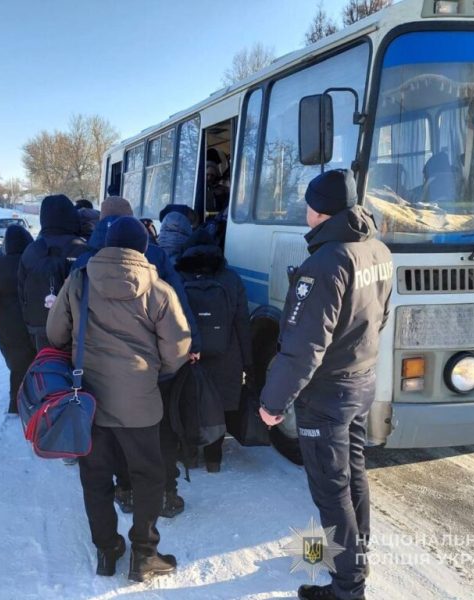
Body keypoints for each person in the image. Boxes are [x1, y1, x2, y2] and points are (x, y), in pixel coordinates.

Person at [259, 169, 392, 600]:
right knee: (353, 475)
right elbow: (381, 315)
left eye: (308, 206)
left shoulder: (326, 263)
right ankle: (357, 555)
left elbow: (303, 347)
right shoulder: (376, 249)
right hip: (361, 381)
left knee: (331, 490)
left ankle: (347, 588)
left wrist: (273, 402)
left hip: (328, 393)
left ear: (319, 211)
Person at [47, 216, 191, 582]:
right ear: (143, 248)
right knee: (147, 475)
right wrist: (152, 374)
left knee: (95, 477)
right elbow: (177, 349)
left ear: (106, 245)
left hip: (89, 401)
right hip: (140, 402)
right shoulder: (158, 290)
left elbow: (55, 333)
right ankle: (144, 553)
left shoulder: (78, 282)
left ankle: (107, 550)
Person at [73, 197, 201, 517]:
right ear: (132, 220)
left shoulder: (84, 259)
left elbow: (70, 319)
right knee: (163, 428)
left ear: (101, 220)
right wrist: (189, 346)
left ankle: (126, 489)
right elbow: (178, 303)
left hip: (101, 370)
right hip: (154, 364)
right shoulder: (154, 253)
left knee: (116, 433)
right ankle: (166, 494)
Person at [175, 229, 252, 472]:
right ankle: (213, 459)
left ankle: (188, 456)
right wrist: (248, 362)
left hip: (186, 355)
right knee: (217, 406)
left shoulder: (177, 276)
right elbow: (242, 322)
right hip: (226, 356)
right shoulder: (231, 278)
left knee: (187, 403)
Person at [18, 194, 87, 351]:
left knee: (49, 371)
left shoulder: (31, 251)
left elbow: (21, 293)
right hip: (78, 332)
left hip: (40, 330)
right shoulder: (82, 249)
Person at [0, 224, 36, 413]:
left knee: (16, 363)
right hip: (25, 312)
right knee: (32, 358)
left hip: (4, 315)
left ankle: (15, 403)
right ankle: (32, 397)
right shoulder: (30, 260)